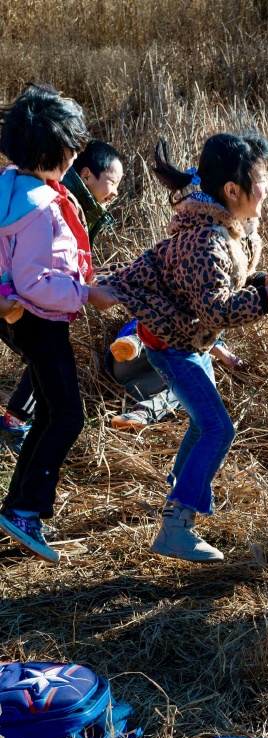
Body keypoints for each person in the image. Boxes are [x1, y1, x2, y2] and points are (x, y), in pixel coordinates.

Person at [102, 134, 268, 562]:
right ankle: (175, 525)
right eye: (262, 180)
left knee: (204, 425)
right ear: (232, 191)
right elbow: (215, 308)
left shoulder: (231, 230)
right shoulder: (205, 240)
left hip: (189, 343)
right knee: (218, 429)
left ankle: (179, 492)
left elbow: (217, 294)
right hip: (170, 347)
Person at [0, 84, 119, 563]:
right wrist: (87, 295)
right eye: (71, 146)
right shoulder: (38, 208)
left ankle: (17, 505)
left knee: (50, 412)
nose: (75, 154)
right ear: (54, 150)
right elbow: (34, 281)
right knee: (67, 415)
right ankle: (25, 509)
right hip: (38, 319)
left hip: (20, 317)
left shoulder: (14, 185)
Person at [0, 138, 125, 453]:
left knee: (44, 357)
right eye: (111, 182)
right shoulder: (55, 200)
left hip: (21, 295)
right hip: (18, 297)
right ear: (85, 176)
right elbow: (37, 272)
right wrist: (85, 293)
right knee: (47, 359)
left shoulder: (73, 201)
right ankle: (15, 425)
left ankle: (17, 423)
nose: (115, 192)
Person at [107, 320, 249, 432]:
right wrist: (222, 352)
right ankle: (135, 343)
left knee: (195, 387)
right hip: (129, 362)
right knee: (167, 327)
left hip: (133, 382)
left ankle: (139, 415)